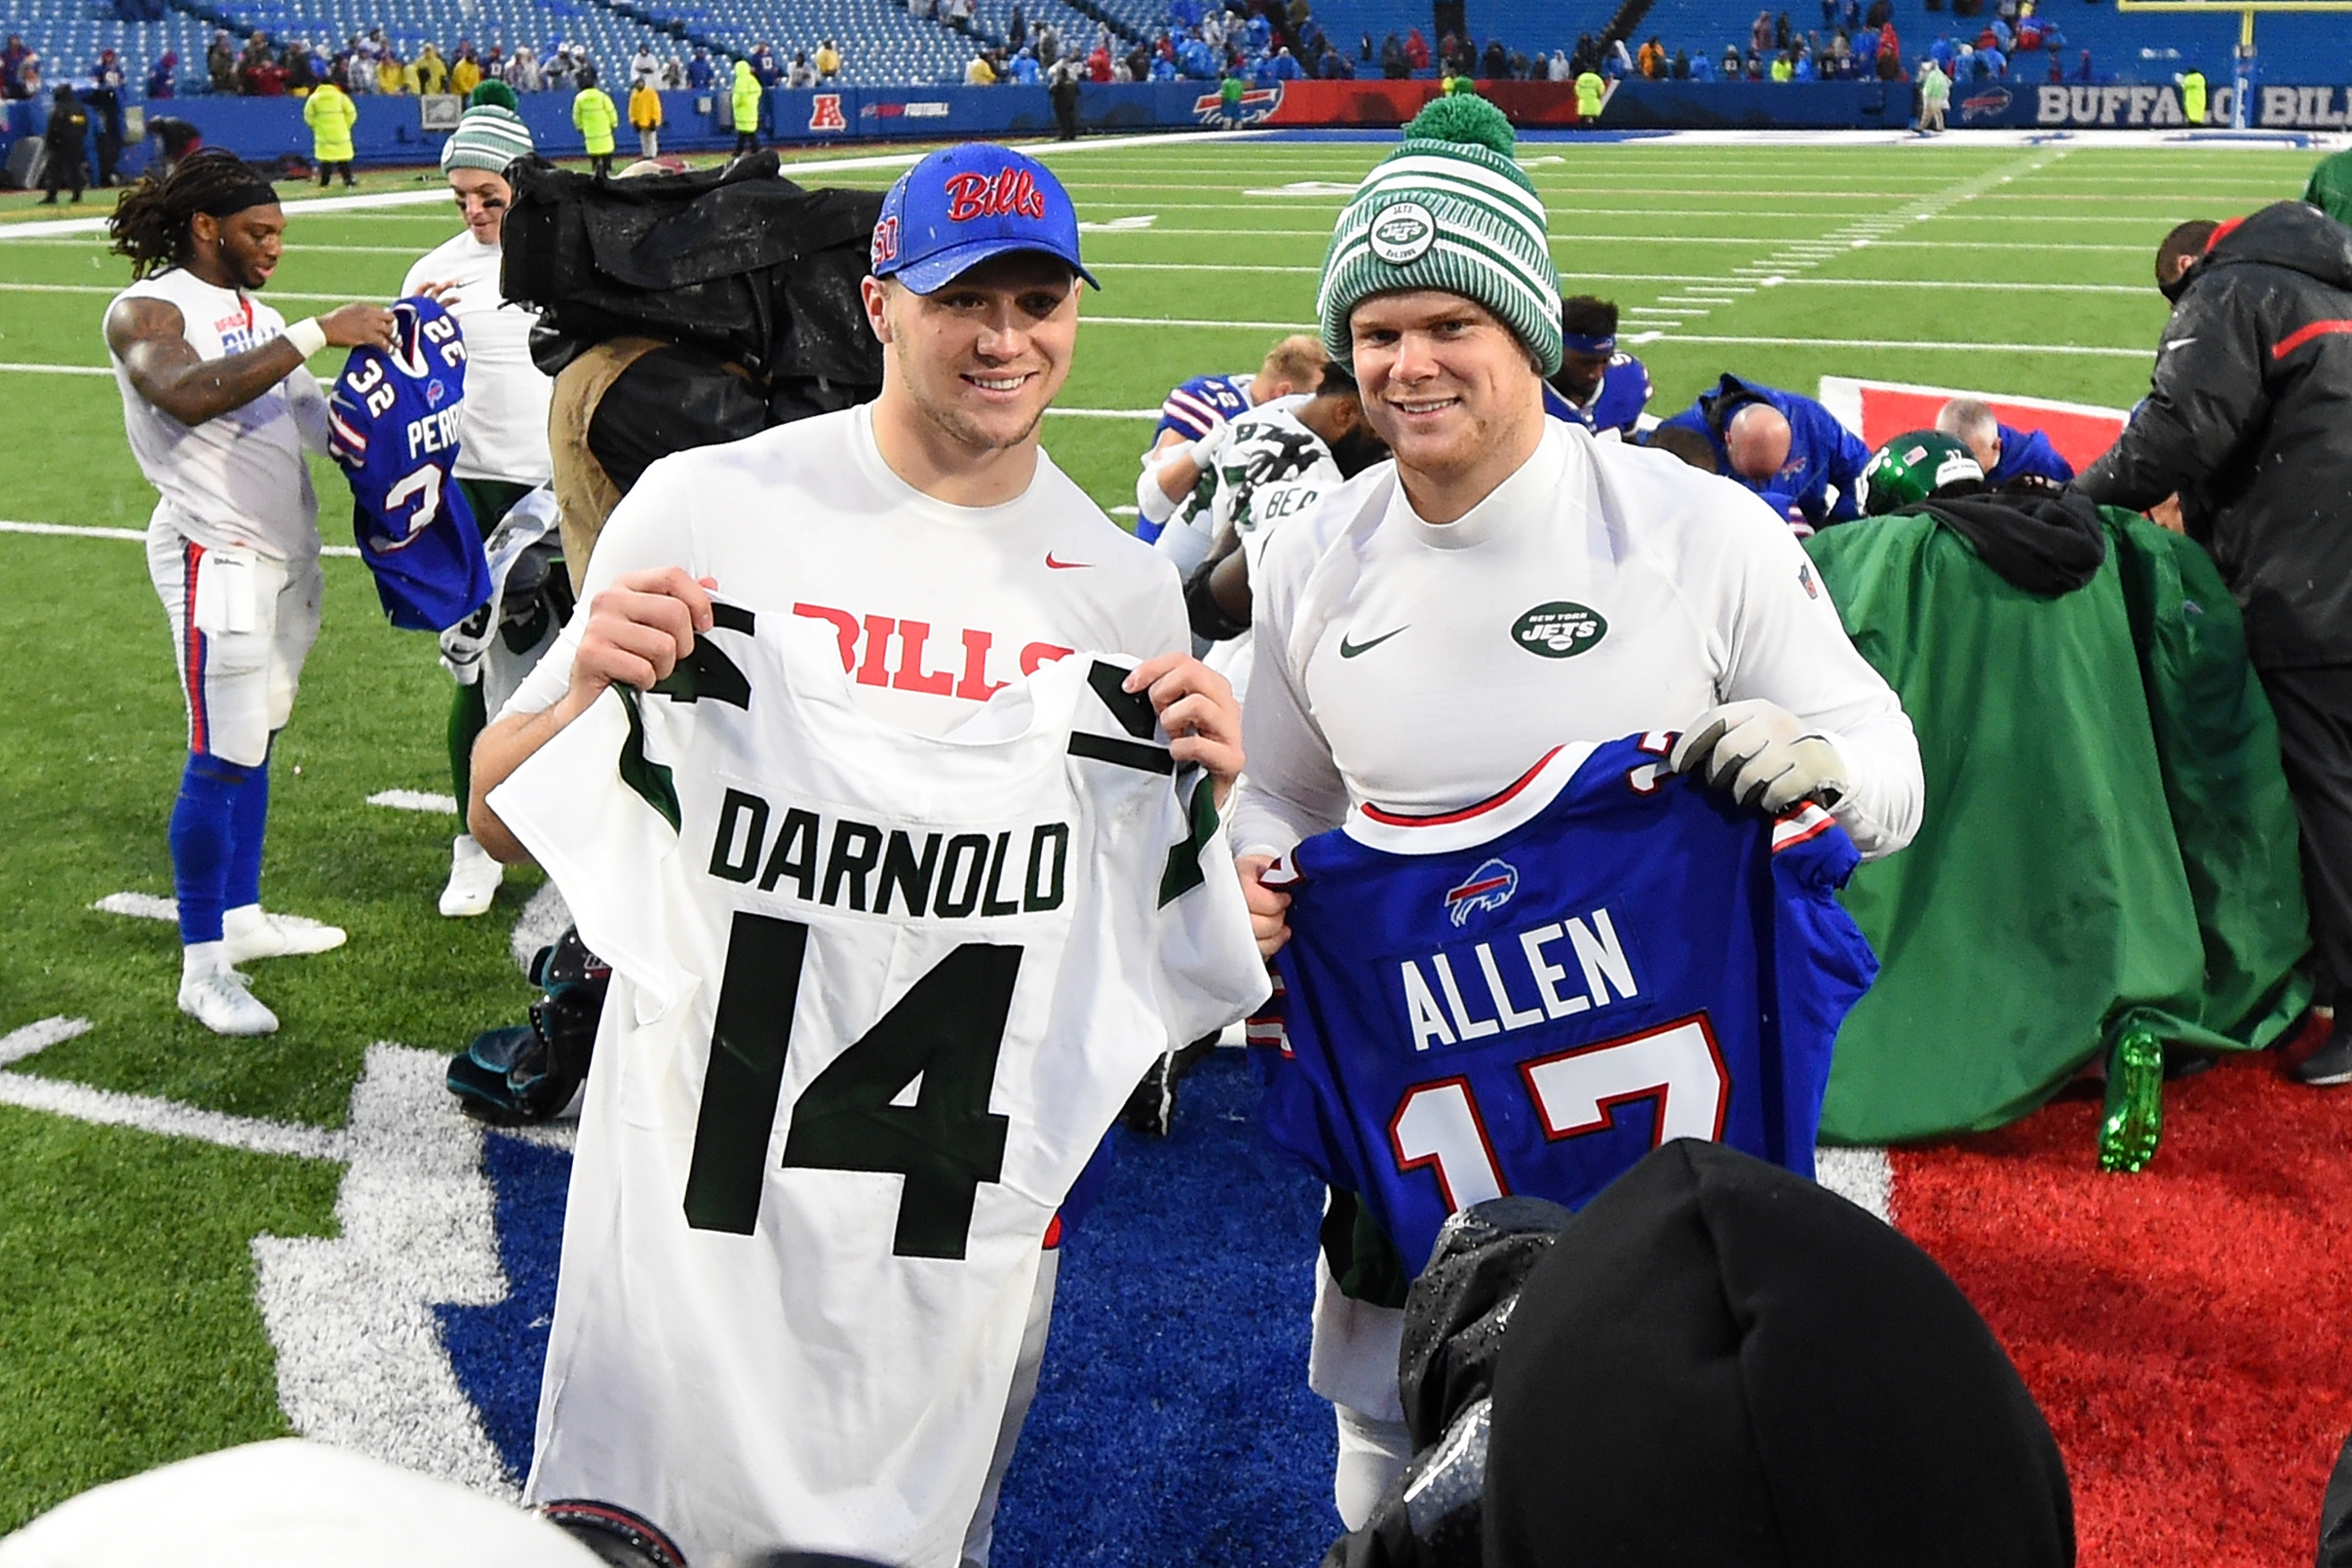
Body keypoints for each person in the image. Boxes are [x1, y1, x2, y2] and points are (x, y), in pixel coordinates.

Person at [463, 142, 1254, 1568]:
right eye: (965, 300)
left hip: (940, 1276)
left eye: (1038, 301)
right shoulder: (712, 508)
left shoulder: (1121, 591)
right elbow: (498, 813)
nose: (1005, 340)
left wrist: (1212, 799)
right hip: (689, 1248)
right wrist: (586, 679)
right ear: (879, 300)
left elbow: (1196, 943)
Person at [1232, 93, 1921, 1527]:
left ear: (1528, 338)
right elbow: (1275, 791)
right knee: (1389, 1437)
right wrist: (1248, 873)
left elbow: (1889, 768)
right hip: (1424, 1117)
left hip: (1670, 1160)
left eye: (1447, 326)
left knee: (1691, 1465)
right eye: (1375, 333)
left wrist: (1817, 766)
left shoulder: (1688, 528)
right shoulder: (1311, 558)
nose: (1407, 365)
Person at [102, 152, 397, 1034]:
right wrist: (317, 330)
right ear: (206, 228)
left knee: (259, 733)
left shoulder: (253, 313)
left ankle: (241, 917)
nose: (273, 247)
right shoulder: (148, 310)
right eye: (258, 232)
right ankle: (202, 967)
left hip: (284, 551)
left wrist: (410, 394)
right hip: (213, 551)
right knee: (221, 747)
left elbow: (319, 425)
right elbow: (188, 395)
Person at [2075, 199, 2352, 1086]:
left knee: (2324, 793)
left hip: (2311, 585)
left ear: (2188, 271)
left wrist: (2076, 501)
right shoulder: (2326, 290)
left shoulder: (2233, 292)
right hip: (2335, 563)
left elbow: (2179, 431)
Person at [397, 87, 553, 920]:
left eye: (489, 196)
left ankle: (586, 833)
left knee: (595, 673)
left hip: (575, 490)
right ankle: (473, 842)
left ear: (522, 184)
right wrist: (409, 331)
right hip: (477, 494)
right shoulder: (434, 271)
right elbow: (405, 398)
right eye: (461, 198)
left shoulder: (569, 256)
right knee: (480, 677)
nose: (475, 211)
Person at [1134, 335, 1328, 541]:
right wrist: (1211, 446)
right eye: (1310, 399)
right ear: (1284, 392)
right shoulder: (1211, 403)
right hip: (1169, 557)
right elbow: (1153, 502)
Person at [1656, 373, 1872, 532]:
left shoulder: (1812, 422)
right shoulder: (1683, 442)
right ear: (1728, 439)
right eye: (1753, 477)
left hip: (1808, 537)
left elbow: (1862, 473)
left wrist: (1834, 532)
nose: (1762, 484)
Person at [1543, 295, 1650, 441]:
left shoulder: (1627, 378)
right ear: (1554, 350)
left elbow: (1631, 448)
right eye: (1585, 363)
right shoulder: (1525, 393)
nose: (1596, 374)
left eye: (1605, 360)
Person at [1935, 397, 2073, 489]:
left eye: (1971, 459)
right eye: (1950, 456)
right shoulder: (1928, 459)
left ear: (1996, 446)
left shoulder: (2042, 465)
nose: (1958, 467)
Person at [304, 70, 358, 187]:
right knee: (343, 158)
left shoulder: (314, 98)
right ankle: (347, 180)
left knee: (325, 159)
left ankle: (324, 181)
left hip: (323, 133)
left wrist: (315, 125)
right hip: (340, 132)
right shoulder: (341, 97)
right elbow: (351, 112)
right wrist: (345, 125)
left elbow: (308, 115)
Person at [38, 85, 89, 205]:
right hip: (75, 145)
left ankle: (52, 195)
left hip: (59, 145)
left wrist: (51, 142)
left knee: (55, 171)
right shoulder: (79, 109)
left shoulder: (59, 109)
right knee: (74, 169)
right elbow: (83, 127)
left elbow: (53, 128)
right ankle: (77, 193)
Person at [571, 65, 617, 177]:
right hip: (604, 131)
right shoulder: (602, 96)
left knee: (594, 153)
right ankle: (608, 169)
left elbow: (576, 115)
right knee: (607, 151)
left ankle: (596, 169)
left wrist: (579, 127)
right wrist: (614, 123)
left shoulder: (579, 98)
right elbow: (611, 111)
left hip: (590, 133)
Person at [730, 56, 760, 153]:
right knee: (748, 132)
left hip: (742, 110)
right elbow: (758, 91)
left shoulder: (740, 81)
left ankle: (751, 149)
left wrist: (735, 104)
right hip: (752, 109)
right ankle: (743, 150)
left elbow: (739, 95)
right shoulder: (752, 79)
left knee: (745, 132)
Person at [627, 73, 661, 159]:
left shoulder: (650, 92)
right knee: (643, 140)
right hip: (640, 122)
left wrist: (654, 119)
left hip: (649, 121)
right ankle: (646, 155)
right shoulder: (634, 95)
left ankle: (652, 155)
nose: (639, 85)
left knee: (651, 139)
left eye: (641, 82)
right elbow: (632, 109)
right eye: (638, 83)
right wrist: (634, 121)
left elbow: (655, 106)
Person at [1918, 55, 1949, 132]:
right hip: (1935, 94)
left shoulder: (1934, 75)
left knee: (1934, 110)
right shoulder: (1938, 74)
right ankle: (1922, 126)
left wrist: (1927, 93)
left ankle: (1938, 126)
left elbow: (1931, 85)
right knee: (1929, 111)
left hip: (1932, 95)